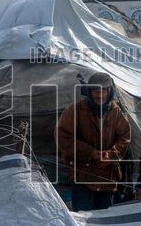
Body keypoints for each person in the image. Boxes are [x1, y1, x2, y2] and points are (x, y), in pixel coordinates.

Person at [56, 72, 131, 211]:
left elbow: (124, 136)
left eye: (103, 91)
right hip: (83, 177)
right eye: (96, 91)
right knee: (84, 219)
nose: (100, 95)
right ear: (89, 92)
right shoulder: (75, 110)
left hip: (107, 177)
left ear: (109, 91)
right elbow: (63, 137)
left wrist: (111, 154)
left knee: (104, 222)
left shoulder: (116, 111)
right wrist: (91, 153)